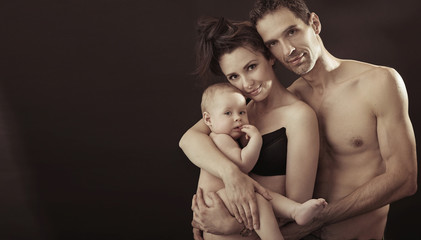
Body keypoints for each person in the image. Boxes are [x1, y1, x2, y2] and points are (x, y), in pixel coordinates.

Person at [190, 0, 418, 239]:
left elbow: (404, 180)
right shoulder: (281, 101)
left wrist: (313, 220)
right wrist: (228, 185)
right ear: (269, 53)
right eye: (273, 43)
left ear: (315, 23)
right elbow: (192, 137)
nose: (288, 49)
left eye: (292, 31)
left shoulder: (378, 83)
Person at [179, 16, 320, 239]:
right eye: (234, 76)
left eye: (251, 67)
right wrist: (232, 174)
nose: (246, 84)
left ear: (269, 57)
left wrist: (234, 228)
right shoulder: (237, 111)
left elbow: (297, 209)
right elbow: (188, 139)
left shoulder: (299, 116)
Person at [195, 82, 327, 239]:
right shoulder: (220, 139)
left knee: (260, 194)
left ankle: (295, 210)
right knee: (256, 198)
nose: (237, 118)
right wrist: (257, 139)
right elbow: (244, 164)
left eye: (242, 112)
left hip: (225, 201)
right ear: (208, 120)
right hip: (216, 202)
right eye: (228, 113)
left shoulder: (224, 137)